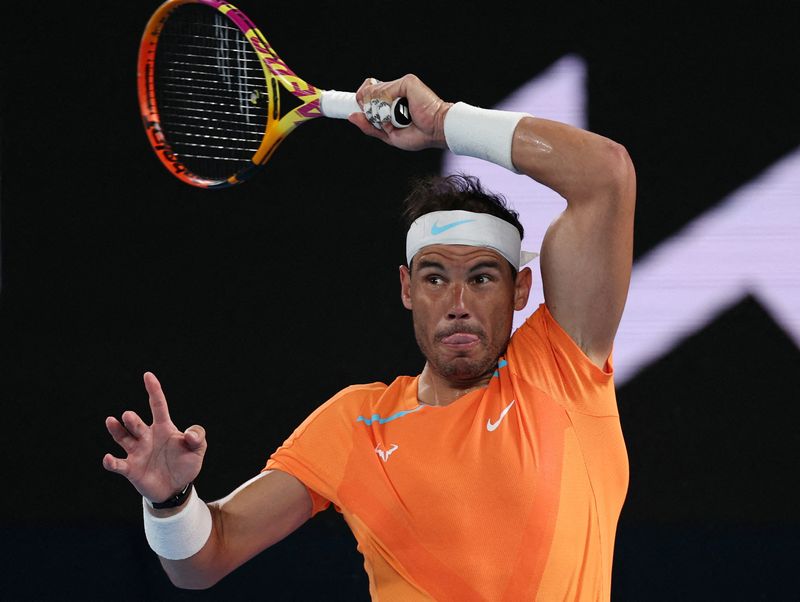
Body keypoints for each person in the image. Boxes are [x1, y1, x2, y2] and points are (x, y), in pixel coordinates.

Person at [103, 73, 635, 601]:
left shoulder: (561, 368)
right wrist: (171, 501)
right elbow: (203, 560)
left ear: (519, 289)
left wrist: (444, 122)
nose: (457, 304)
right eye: (434, 278)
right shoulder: (356, 425)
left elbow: (605, 174)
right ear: (407, 288)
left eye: (481, 278)